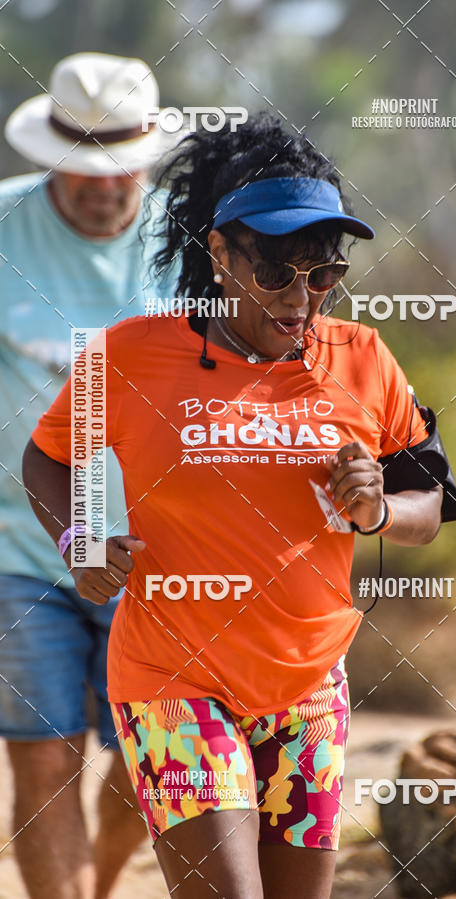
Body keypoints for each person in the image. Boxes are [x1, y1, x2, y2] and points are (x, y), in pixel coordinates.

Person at [22, 113, 456, 899]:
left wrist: (378, 512)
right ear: (219, 252)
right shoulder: (130, 354)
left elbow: (428, 503)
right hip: (172, 676)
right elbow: (47, 455)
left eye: (322, 273)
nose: (301, 298)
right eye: (276, 273)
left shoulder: (362, 358)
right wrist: (79, 539)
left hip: (309, 684)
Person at [0, 52, 177, 898]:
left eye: (120, 168)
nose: (102, 188)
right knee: (42, 772)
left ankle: (103, 884)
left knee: (152, 777)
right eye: (81, 170)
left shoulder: (200, 245)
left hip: (159, 556)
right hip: (19, 553)